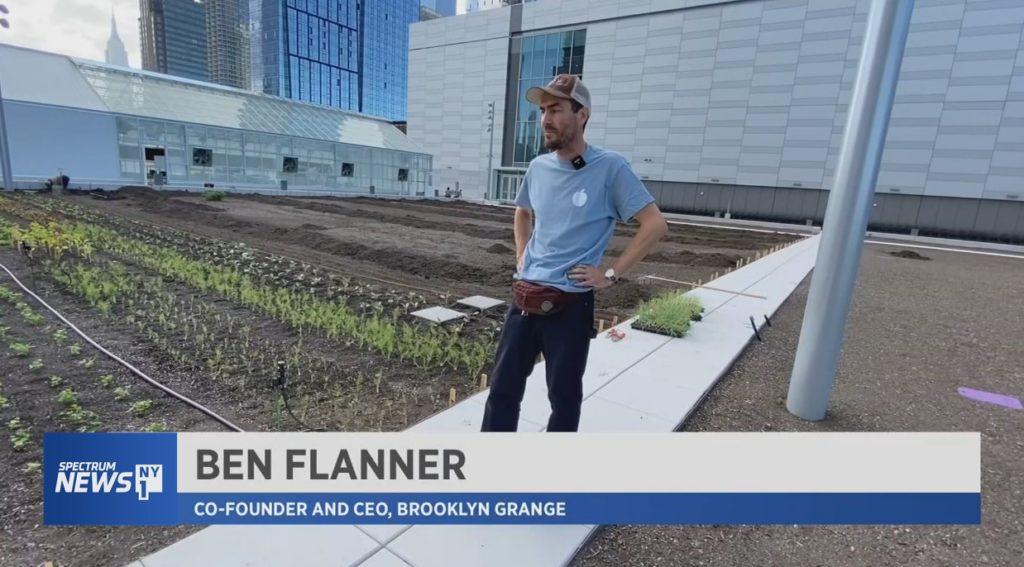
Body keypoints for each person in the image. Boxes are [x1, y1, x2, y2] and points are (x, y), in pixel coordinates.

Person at [480, 74, 669, 432]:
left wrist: (610, 275)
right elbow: (522, 211)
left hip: (569, 307)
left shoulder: (610, 168)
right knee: (502, 391)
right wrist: (522, 251)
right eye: (542, 111)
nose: (546, 119)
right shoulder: (538, 168)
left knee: (564, 400)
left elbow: (655, 225)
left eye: (556, 109)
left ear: (583, 115)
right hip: (524, 300)